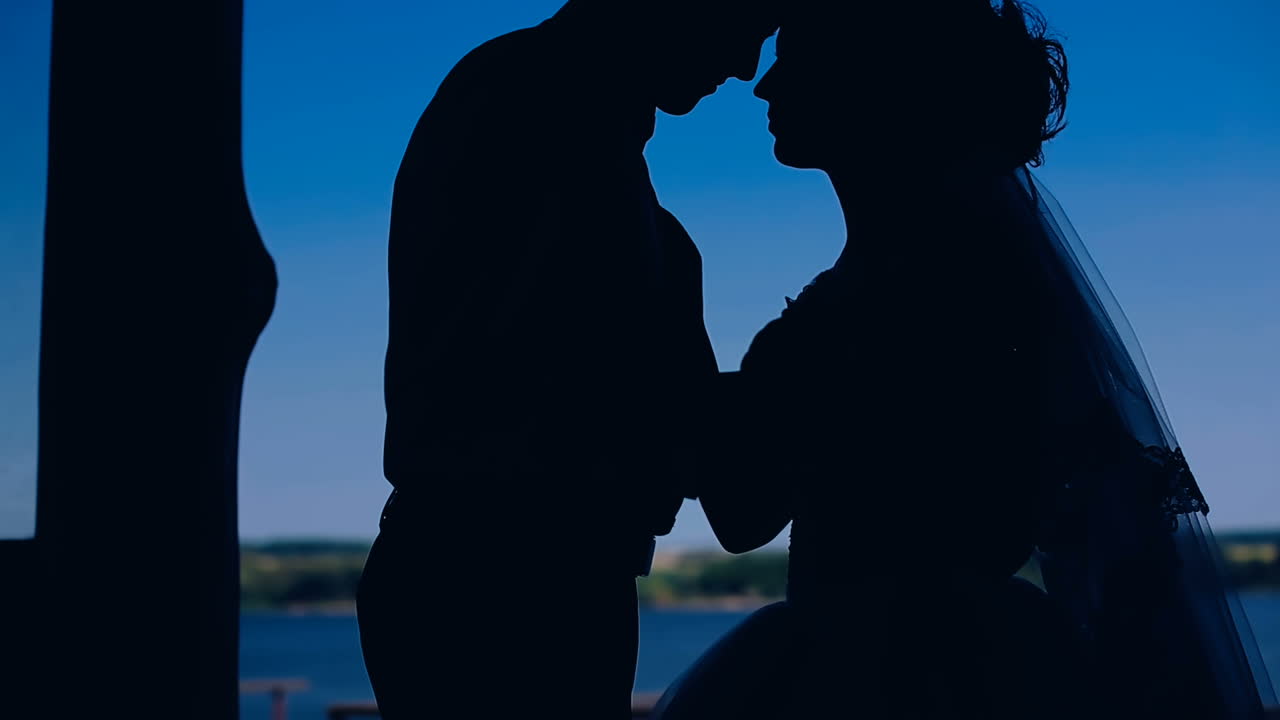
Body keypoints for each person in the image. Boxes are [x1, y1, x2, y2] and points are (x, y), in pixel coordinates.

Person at [656, 1, 1276, 718]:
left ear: (875, 87)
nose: (764, 87)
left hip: (866, 679)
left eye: (796, 61)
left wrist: (672, 307)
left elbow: (740, 510)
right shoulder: (982, 280)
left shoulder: (872, 307)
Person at [356, 1, 778, 718]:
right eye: (745, 27)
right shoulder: (541, 114)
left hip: (509, 578)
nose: (745, 68)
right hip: (507, 591)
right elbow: (601, 394)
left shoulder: (540, 109)